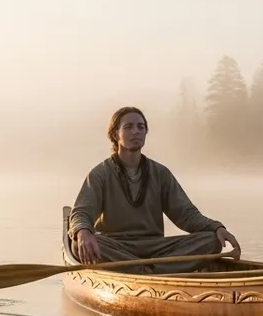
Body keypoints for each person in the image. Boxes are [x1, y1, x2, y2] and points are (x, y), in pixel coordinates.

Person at [67, 106, 241, 274]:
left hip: (156, 248)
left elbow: (186, 214)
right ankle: (152, 271)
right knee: (78, 243)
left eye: (141, 127)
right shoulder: (100, 174)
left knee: (211, 240)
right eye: (128, 127)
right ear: (115, 134)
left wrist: (216, 227)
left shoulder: (160, 173)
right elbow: (81, 212)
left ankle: (145, 271)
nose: (136, 131)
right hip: (116, 247)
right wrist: (83, 231)